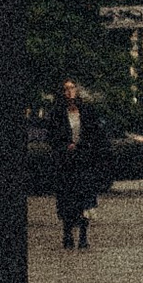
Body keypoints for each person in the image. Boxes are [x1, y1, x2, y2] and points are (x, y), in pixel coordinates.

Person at [44, 77, 103, 250]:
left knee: (84, 199)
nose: (69, 92)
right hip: (66, 163)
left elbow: (95, 135)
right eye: (66, 89)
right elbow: (52, 137)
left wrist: (83, 146)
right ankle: (67, 233)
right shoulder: (57, 113)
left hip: (83, 161)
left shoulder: (86, 111)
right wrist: (64, 146)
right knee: (67, 199)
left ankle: (83, 236)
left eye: (72, 88)